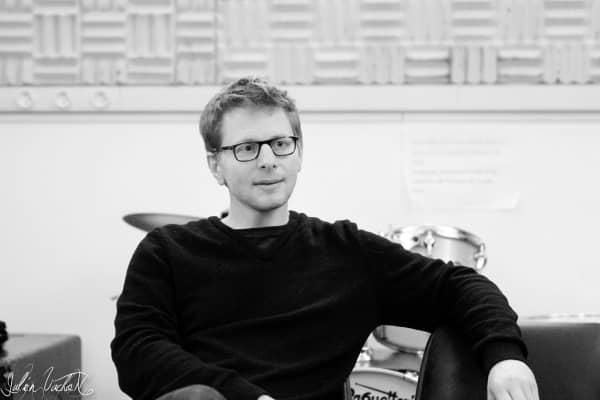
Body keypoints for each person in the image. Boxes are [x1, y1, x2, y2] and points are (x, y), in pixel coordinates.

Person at [111, 77, 539, 400]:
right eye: (246, 148)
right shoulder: (168, 251)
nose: (268, 160)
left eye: (281, 143)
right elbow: (137, 351)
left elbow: (459, 285)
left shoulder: (346, 252)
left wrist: (504, 357)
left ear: (299, 153)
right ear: (215, 165)